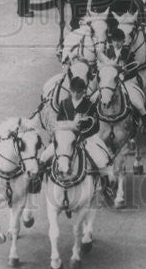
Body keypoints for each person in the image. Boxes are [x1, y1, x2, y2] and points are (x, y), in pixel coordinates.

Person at [40, 76, 117, 205]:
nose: (75, 94)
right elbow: (59, 122)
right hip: (66, 138)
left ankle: (106, 189)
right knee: (44, 156)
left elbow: (95, 125)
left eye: (79, 91)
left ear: (84, 91)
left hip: (86, 138)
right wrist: (69, 126)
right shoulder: (64, 103)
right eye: (73, 91)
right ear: (70, 90)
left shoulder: (90, 105)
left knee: (101, 161)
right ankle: (38, 182)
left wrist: (82, 132)